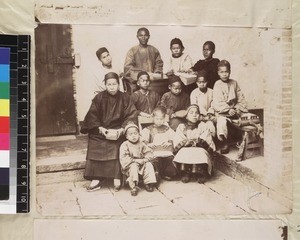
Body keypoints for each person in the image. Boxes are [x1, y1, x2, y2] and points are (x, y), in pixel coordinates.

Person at [80, 72, 137, 192]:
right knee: (94, 141)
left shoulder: (125, 97)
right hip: (102, 131)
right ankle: (97, 177)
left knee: (118, 144)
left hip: (119, 131)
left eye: (114, 84)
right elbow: (92, 115)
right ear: (105, 85)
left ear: (118, 84)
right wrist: (100, 128)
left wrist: (122, 129)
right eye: (109, 84)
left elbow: (131, 115)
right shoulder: (99, 97)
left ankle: (116, 177)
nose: (112, 87)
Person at [173, 105, 216, 184]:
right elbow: (178, 139)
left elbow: (206, 138)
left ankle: (200, 172)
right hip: (186, 147)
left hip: (200, 147)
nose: (194, 115)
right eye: (191, 113)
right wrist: (186, 142)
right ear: (186, 116)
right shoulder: (182, 126)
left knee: (199, 152)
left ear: (199, 116)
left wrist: (197, 142)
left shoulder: (203, 125)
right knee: (183, 151)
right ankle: (186, 172)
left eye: (197, 113)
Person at [212, 60, 248, 154]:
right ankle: (225, 143)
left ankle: (243, 141)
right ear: (218, 73)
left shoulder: (234, 83)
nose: (224, 74)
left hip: (235, 111)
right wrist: (228, 110)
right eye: (222, 72)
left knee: (247, 118)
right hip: (222, 112)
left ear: (230, 72)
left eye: (226, 72)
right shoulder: (217, 84)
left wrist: (236, 109)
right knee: (221, 121)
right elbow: (217, 102)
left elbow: (241, 98)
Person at [119, 123, 157, 196]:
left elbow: (148, 152)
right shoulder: (125, 145)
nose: (133, 136)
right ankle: (133, 186)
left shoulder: (141, 143)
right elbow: (124, 158)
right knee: (133, 167)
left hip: (141, 163)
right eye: (130, 134)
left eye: (135, 133)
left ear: (139, 134)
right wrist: (135, 161)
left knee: (148, 165)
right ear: (126, 136)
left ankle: (149, 183)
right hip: (130, 166)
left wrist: (145, 159)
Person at [141, 106, 177, 181]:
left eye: (161, 119)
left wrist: (169, 142)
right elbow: (143, 140)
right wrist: (148, 144)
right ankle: (157, 174)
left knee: (169, 159)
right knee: (156, 160)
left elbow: (173, 136)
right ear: (153, 118)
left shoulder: (167, 129)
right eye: (157, 119)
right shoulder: (148, 129)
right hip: (154, 151)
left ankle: (166, 173)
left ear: (164, 119)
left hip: (165, 150)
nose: (159, 121)